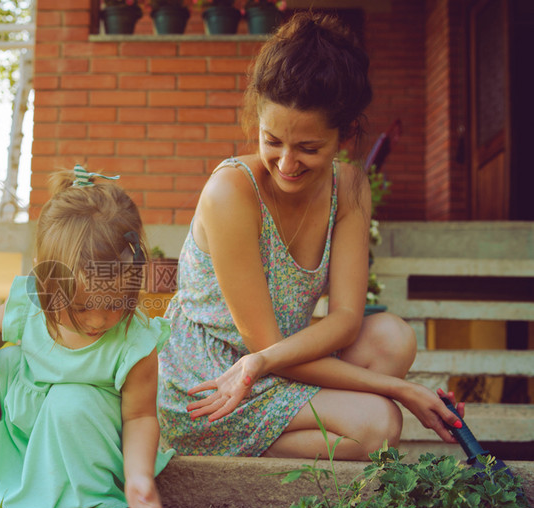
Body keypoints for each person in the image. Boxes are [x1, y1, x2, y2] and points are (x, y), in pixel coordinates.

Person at [157, 12, 465, 461]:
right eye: (273, 140)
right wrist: (400, 390)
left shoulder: (351, 187)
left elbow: (345, 319)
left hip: (273, 363)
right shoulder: (232, 191)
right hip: (213, 381)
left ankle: (268, 436)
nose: (286, 163)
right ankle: (217, 446)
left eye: (308, 147)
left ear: (343, 135)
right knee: (381, 423)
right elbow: (261, 344)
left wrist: (395, 383)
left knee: (394, 339)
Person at [0, 165, 172, 508]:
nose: (100, 319)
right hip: (31, 431)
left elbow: (139, 417)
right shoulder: (30, 306)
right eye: (83, 305)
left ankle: (96, 501)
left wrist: (139, 477)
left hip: (88, 446)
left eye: (116, 302)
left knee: (69, 400)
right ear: (46, 284)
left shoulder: (133, 342)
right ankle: (5, 488)